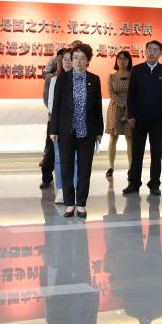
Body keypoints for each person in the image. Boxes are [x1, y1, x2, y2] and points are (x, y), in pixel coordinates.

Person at [50, 44, 104, 218]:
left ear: (88, 61)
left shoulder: (94, 79)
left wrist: (99, 131)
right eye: (75, 58)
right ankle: (69, 204)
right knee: (66, 169)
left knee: (84, 169)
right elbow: (56, 106)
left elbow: (97, 107)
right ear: (71, 60)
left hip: (87, 132)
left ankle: (81, 204)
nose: (78, 61)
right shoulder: (63, 79)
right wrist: (53, 129)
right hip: (66, 131)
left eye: (82, 58)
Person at [123, 40, 162, 195]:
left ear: (160, 53)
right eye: (149, 49)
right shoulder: (137, 70)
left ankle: (154, 184)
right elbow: (131, 95)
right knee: (137, 152)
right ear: (145, 51)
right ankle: (134, 183)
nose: (152, 52)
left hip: (158, 120)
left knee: (156, 153)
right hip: (138, 119)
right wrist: (130, 115)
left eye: (155, 50)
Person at [47, 48, 77, 204]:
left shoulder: (81, 79)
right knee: (59, 158)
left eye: (71, 59)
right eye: (64, 59)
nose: (67, 62)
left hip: (77, 125)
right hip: (60, 125)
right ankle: (61, 189)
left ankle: (75, 188)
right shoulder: (55, 80)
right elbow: (52, 105)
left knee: (76, 159)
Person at [105, 51, 133, 180]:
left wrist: (129, 107)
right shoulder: (111, 76)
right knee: (113, 138)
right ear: (116, 60)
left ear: (129, 61)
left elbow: (136, 92)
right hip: (115, 109)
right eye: (120, 58)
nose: (122, 61)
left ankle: (131, 168)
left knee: (130, 138)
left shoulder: (133, 75)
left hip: (131, 110)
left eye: (125, 59)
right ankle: (110, 167)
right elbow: (111, 94)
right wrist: (123, 104)